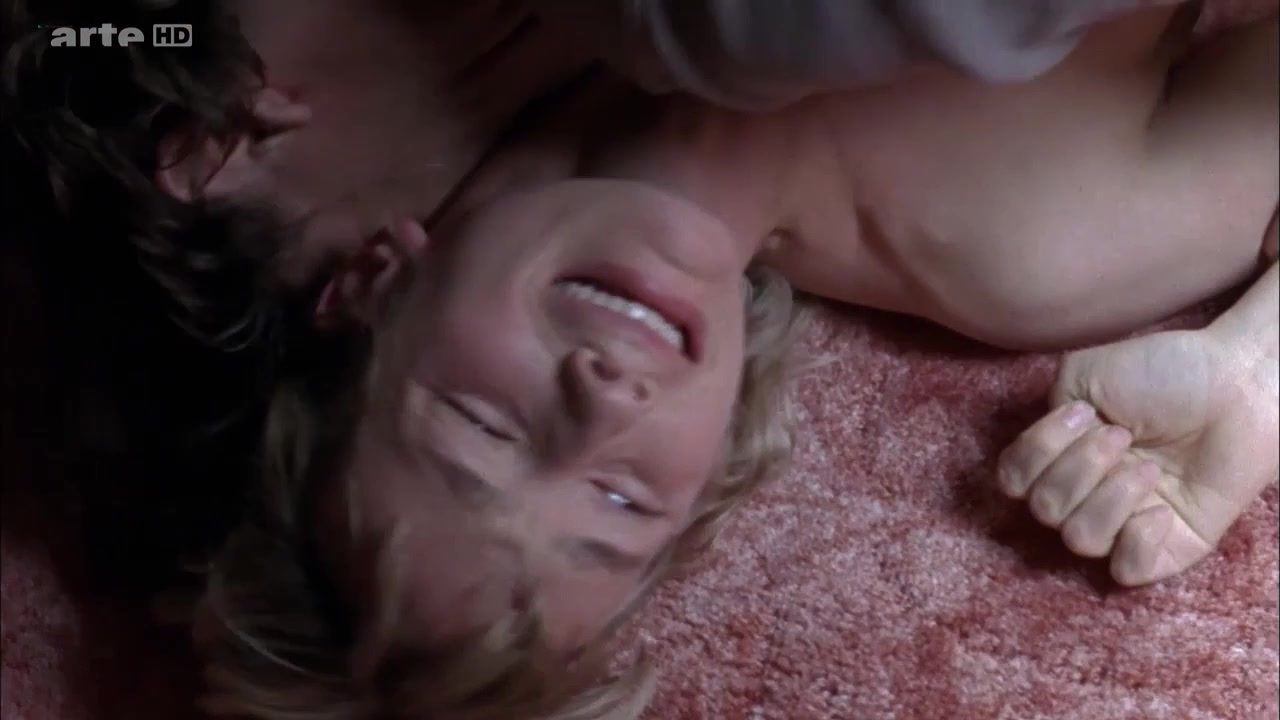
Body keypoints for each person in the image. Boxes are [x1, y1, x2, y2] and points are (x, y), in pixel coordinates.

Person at [6, 2, 1275, 720]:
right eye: (615, 501)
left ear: (371, 284)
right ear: (702, 485)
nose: (599, 404)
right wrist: (1253, 369)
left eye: (480, 425)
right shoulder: (1034, 242)